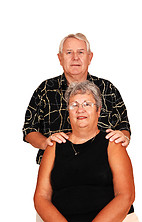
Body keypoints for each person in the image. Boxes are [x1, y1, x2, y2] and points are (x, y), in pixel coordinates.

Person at [34, 81, 142, 222]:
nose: (80, 109)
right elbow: (41, 197)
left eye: (87, 104)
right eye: (74, 105)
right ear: (68, 111)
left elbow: (126, 195)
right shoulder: (54, 146)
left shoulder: (113, 144)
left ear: (98, 110)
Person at [23, 33, 131, 166]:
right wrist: (45, 144)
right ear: (60, 58)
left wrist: (123, 137)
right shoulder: (45, 89)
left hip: (102, 168)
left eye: (81, 52)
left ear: (89, 57)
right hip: (56, 167)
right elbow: (29, 129)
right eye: (69, 52)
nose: (75, 58)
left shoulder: (108, 89)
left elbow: (123, 126)